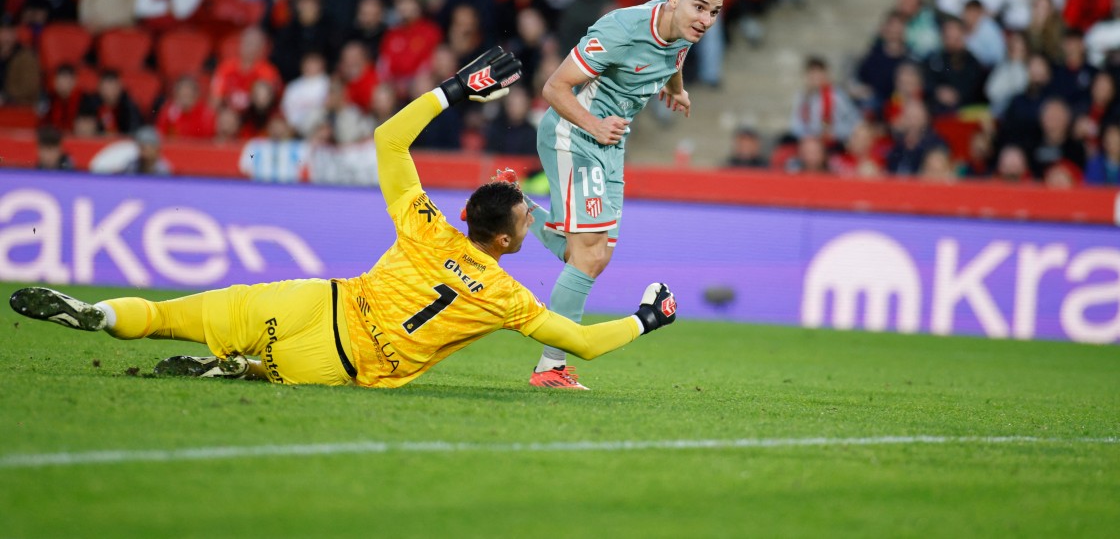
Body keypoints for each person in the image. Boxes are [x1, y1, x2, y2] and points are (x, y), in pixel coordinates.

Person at [9, 49, 679, 388]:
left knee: (162, 314)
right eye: (528, 223)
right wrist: (649, 317)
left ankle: (102, 315)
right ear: (501, 238)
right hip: (343, 362)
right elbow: (583, 344)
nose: (532, 225)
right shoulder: (505, 295)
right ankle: (242, 369)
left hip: (315, 298)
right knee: (274, 371)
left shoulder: (423, 222)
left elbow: (388, 139)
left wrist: (454, 90)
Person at [526, 0, 727, 389]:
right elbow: (554, 88)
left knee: (592, 256)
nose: (706, 20)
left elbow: (674, 56)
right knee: (589, 253)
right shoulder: (621, 29)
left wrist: (676, 91)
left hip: (611, 143)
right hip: (574, 134)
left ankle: (516, 208)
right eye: (700, 7)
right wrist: (595, 125)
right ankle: (549, 367)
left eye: (714, 12)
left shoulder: (681, 28)